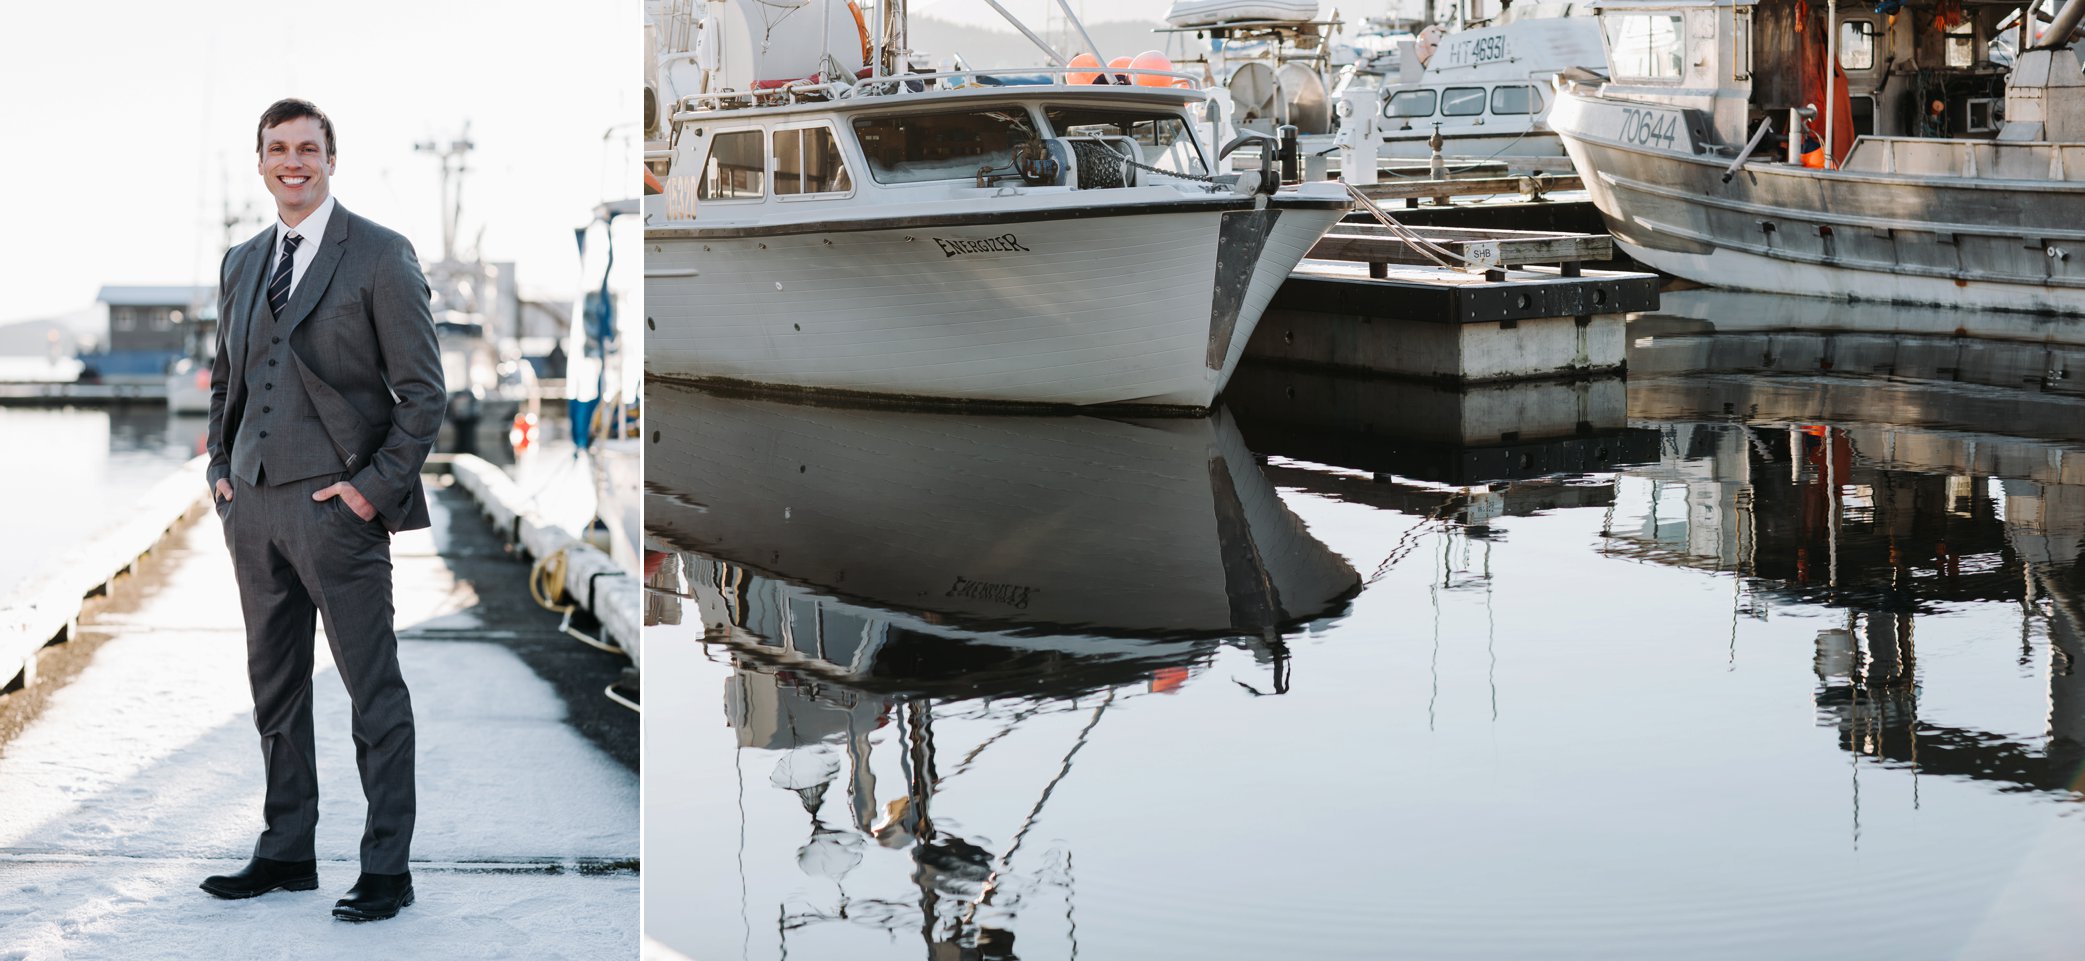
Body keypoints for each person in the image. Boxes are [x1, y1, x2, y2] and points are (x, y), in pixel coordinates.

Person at [199, 98, 445, 922]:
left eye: (308, 148)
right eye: (278, 149)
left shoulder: (378, 254)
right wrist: (222, 472)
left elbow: (423, 394)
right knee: (274, 689)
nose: (292, 161)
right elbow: (227, 379)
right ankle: (285, 849)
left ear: (330, 160)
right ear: (261, 162)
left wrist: (370, 491)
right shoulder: (240, 261)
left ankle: (387, 867)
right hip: (254, 509)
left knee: (373, 693)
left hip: (339, 510)